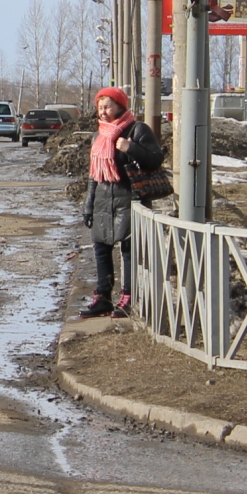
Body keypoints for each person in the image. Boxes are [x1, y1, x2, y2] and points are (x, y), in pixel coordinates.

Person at [81, 86, 163, 319]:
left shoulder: (137, 130)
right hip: (103, 200)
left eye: (108, 106)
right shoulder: (99, 135)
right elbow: (94, 174)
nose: (104, 112)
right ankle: (103, 297)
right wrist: (89, 205)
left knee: (128, 250)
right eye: (100, 107)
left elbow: (156, 159)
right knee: (101, 248)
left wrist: (131, 148)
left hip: (130, 198)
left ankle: (128, 297)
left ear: (120, 106)